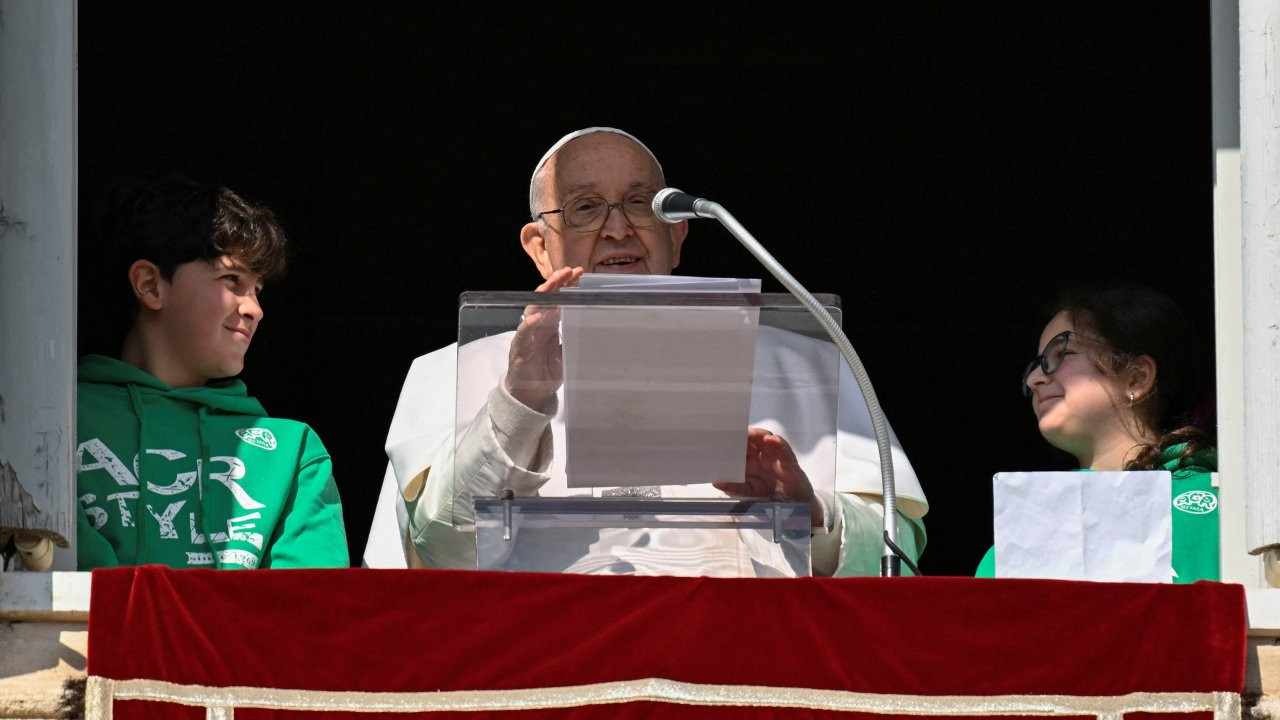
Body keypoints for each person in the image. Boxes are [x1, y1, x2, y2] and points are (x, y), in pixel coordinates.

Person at [363, 127, 928, 576]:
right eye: (584, 207)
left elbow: (895, 556)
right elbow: (434, 558)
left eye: (641, 205)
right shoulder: (449, 372)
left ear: (678, 236)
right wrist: (518, 404)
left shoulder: (809, 365)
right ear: (538, 246)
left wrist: (813, 517)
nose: (618, 229)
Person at [76, 173, 348, 569]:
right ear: (151, 285)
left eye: (257, 289)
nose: (254, 309)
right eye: (232, 279)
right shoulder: (53, 423)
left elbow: (309, 614)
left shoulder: (291, 451)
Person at [976, 284, 1217, 582]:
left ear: (1136, 378)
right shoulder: (1023, 531)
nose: (1036, 378)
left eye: (1061, 353)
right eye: (1036, 365)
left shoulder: (1223, 504)